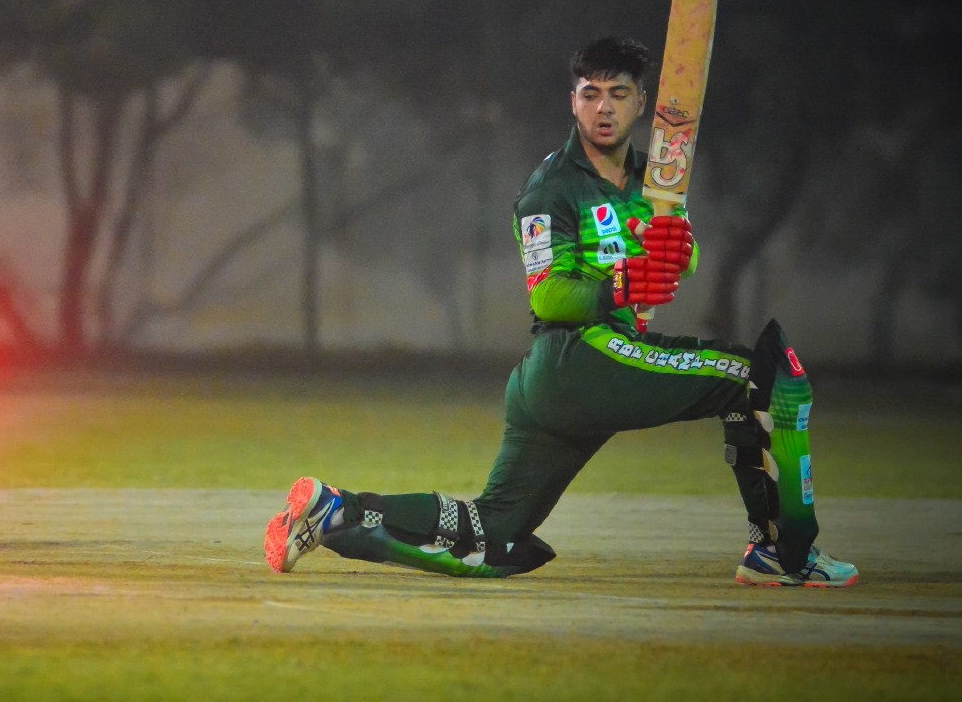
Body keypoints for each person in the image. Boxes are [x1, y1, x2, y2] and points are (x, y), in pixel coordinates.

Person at [264, 36, 858, 587]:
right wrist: (622, 283)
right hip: (577, 357)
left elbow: (679, 255)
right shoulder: (551, 188)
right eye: (590, 94)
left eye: (618, 94)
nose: (604, 107)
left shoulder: (653, 180)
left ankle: (335, 511)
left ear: (641, 102)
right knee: (762, 378)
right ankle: (785, 552)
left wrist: (680, 251)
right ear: (573, 101)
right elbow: (548, 295)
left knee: (494, 533)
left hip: (578, 377)